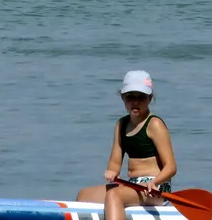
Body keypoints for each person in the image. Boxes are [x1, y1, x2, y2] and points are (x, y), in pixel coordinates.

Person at [75, 71, 178, 220]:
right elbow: (115, 163)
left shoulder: (155, 124)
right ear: (122, 97)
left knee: (114, 195)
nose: (135, 102)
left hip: (155, 188)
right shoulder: (121, 125)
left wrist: (154, 182)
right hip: (132, 185)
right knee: (83, 195)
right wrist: (111, 172)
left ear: (150, 98)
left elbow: (171, 167)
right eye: (130, 97)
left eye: (141, 97)